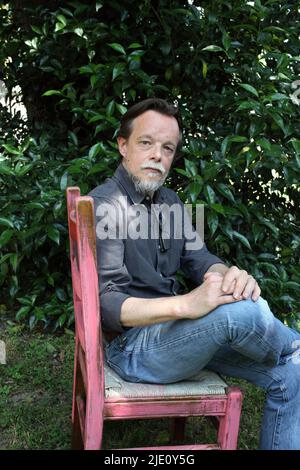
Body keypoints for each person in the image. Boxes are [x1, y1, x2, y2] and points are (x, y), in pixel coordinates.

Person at [89, 98, 300, 450]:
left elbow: (199, 258)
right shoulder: (103, 205)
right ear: (123, 146)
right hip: (132, 349)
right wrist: (187, 305)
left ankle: (292, 353)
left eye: (167, 148)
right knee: (244, 312)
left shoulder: (170, 201)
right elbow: (108, 304)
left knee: (292, 374)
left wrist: (227, 274)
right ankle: (293, 344)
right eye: (146, 143)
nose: (157, 155)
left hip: (178, 339)